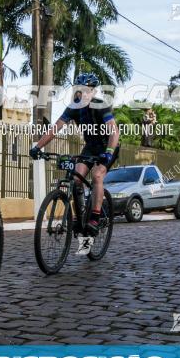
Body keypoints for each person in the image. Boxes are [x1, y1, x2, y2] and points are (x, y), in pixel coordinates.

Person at [29, 73, 120, 236]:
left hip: (108, 147)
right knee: (76, 178)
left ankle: (94, 218)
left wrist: (109, 152)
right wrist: (38, 147)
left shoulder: (101, 105)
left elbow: (114, 132)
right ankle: (79, 218)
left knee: (97, 175)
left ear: (93, 91)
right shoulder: (73, 108)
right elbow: (55, 129)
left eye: (87, 90)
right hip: (91, 147)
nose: (83, 94)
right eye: (80, 90)